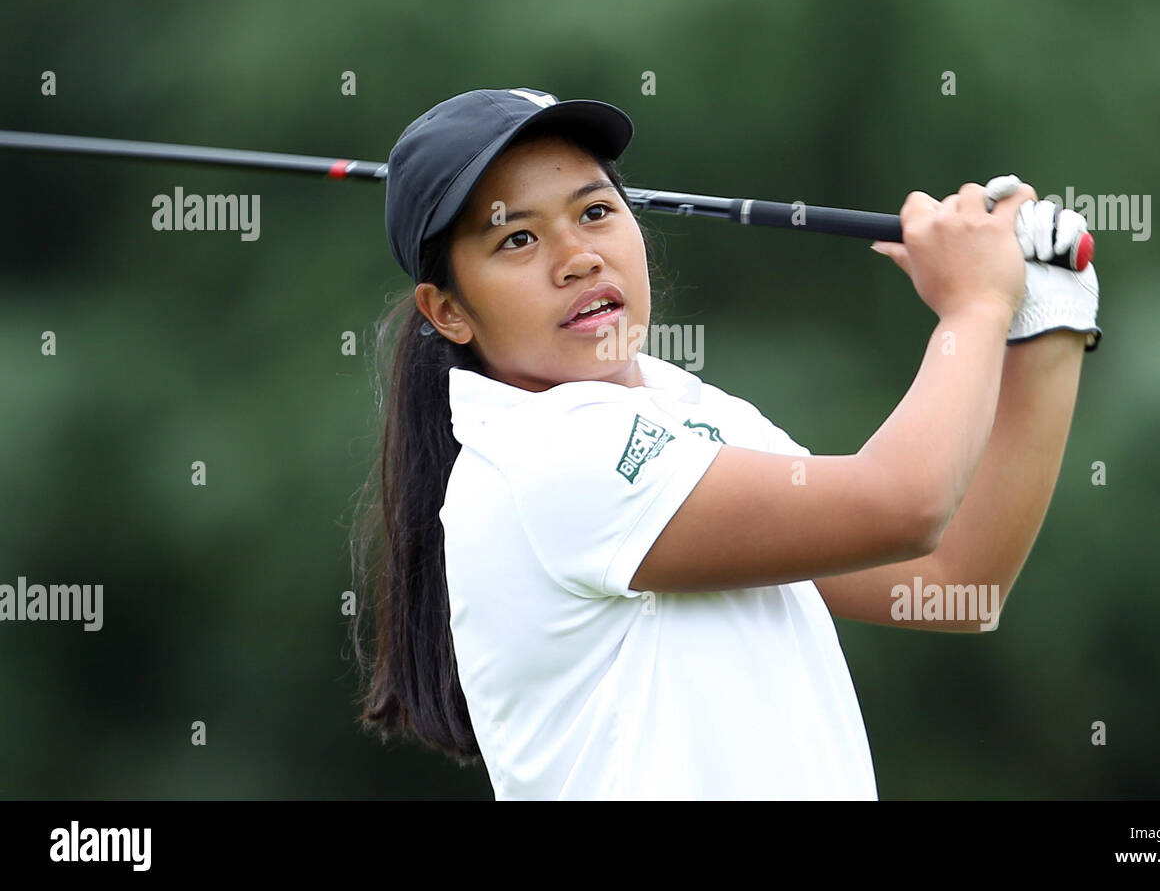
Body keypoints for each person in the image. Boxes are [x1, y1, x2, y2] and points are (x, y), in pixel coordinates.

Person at [347, 86, 1102, 800]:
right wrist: (975, 305)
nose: (577, 255)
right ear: (448, 311)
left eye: (596, 211)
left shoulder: (688, 410)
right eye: (517, 237)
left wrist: (1044, 320)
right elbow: (906, 504)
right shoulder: (544, 456)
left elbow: (949, 580)